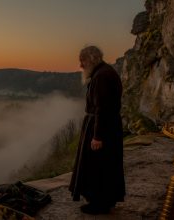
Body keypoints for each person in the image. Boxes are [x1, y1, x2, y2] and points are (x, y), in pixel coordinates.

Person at [69, 46, 125, 214]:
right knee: (106, 165)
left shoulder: (102, 76)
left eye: (83, 61)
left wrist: (97, 136)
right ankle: (106, 200)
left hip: (100, 127)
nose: (80, 65)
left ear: (92, 59)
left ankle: (99, 204)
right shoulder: (105, 72)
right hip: (107, 126)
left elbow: (102, 108)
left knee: (97, 166)